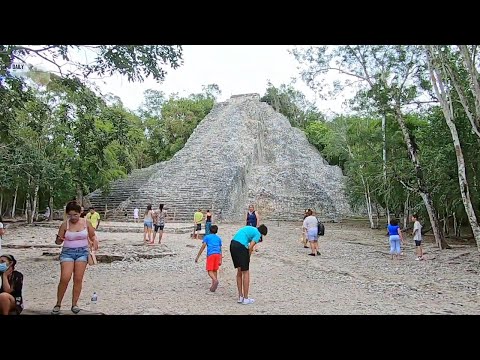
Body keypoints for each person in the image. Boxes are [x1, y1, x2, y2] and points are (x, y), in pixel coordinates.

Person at [52, 201, 98, 315]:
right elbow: (58, 242)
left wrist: (94, 243)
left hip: (82, 252)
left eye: (75, 215)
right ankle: (58, 303)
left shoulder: (86, 223)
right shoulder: (65, 224)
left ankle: (74, 304)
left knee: (78, 279)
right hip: (67, 253)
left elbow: (92, 235)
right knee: (65, 278)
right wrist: (59, 239)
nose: (73, 217)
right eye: (70, 215)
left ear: (80, 213)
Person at [230, 224, 268, 305]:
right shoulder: (258, 234)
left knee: (239, 271)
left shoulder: (251, 228)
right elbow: (250, 247)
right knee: (246, 272)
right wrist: (248, 258)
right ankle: (246, 298)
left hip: (233, 244)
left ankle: (240, 296)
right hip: (241, 247)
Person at [195, 225, 222, 292]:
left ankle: (215, 281)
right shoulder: (218, 238)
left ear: (209, 230)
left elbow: (203, 246)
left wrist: (198, 256)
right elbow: (220, 249)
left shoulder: (207, 237)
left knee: (209, 270)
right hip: (217, 254)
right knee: (215, 270)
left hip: (211, 255)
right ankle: (213, 286)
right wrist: (220, 259)